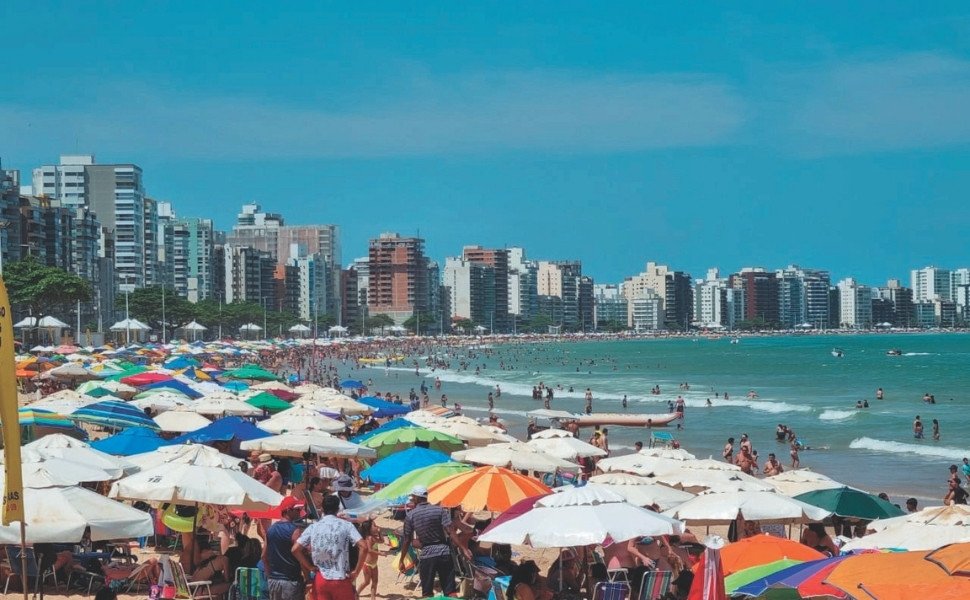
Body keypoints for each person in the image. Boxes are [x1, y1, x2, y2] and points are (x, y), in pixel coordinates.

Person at [399, 485, 469, 597]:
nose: (412, 500)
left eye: (412, 498)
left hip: (427, 555)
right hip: (444, 552)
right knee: (450, 591)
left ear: (416, 498)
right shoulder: (440, 510)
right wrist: (464, 548)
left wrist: (402, 559)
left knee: (427, 593)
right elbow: (451, 532)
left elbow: (407, 540)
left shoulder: (411, 516)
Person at [293, 495, 365, 600]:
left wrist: (309, 567)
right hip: (341, 577)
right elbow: (364, 547)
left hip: (321, 578)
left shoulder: (313, 527)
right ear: (338, 509)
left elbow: (295, 550)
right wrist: (356, 571)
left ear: (322, 509)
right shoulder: (346, 525)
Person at [263, 497, 306, 600]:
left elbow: (263, 556)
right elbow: (300, 557)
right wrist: (308, 578)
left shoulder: (270, 530)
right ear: (288, 510)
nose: (299, 513)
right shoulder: (295, 531)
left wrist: (270, 576)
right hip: (291, 581)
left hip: (274, 581)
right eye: (297, 510)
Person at [355, 520, 382, 600]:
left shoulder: (374, 537)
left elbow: (382, 541)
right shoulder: (369, 538)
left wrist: (380, 533)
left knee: (375, 581)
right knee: (367, 582)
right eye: (374, 526)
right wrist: (379, 553)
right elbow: (369, 550)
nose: (377, 527)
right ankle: (357, 593)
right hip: (367, 564)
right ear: (369, 529)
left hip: (374, 563)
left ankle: (373, 598)